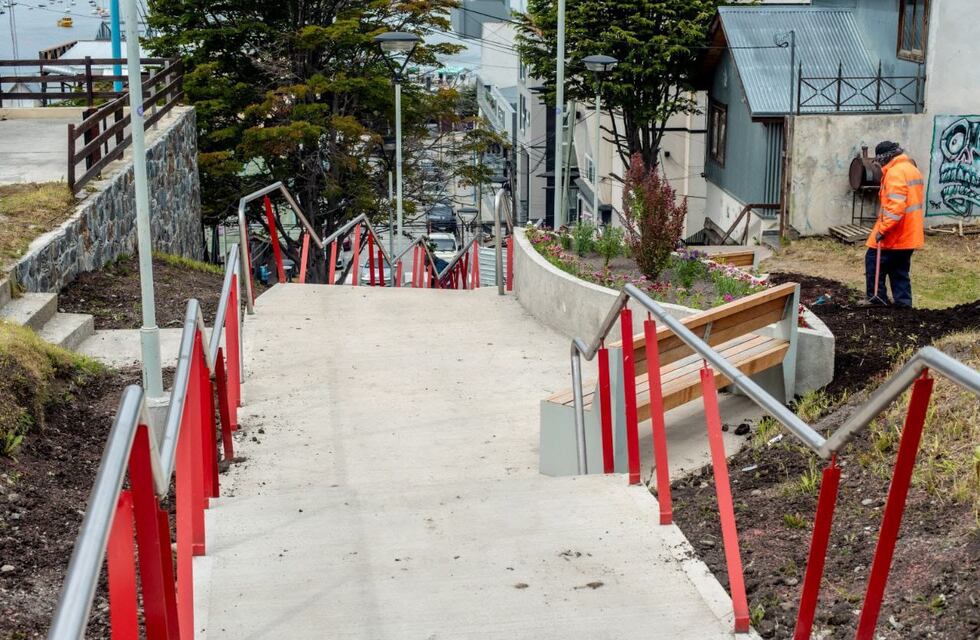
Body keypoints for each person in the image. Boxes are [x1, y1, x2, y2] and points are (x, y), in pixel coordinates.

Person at [858, 140, 925, 308]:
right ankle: (904, 306)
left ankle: (877, 299)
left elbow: (895, 207)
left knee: (873, 261)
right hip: (908, 234)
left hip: (894, 234)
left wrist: (883, 229)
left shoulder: (895, 173)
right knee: (899, 271)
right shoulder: (911, 169)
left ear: (884, 158)